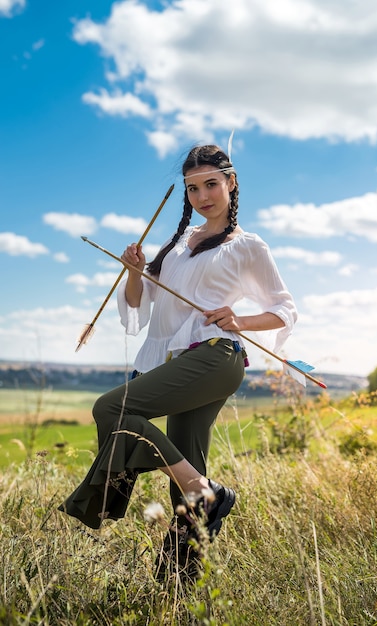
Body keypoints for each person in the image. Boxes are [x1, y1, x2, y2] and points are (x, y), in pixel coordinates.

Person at [59, 144, 297, 580]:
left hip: (215, 354)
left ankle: (205, 492)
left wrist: (239, 318)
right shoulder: (177, 246)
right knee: (184, 462)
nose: (202, 196)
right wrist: (135, 270)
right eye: (192, 188)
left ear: (231, 183)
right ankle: (178, 582)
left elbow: (284, 309)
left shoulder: (247, 245)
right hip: (174, 358)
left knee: (111, 408)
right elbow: (139, 304)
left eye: (210, 184)